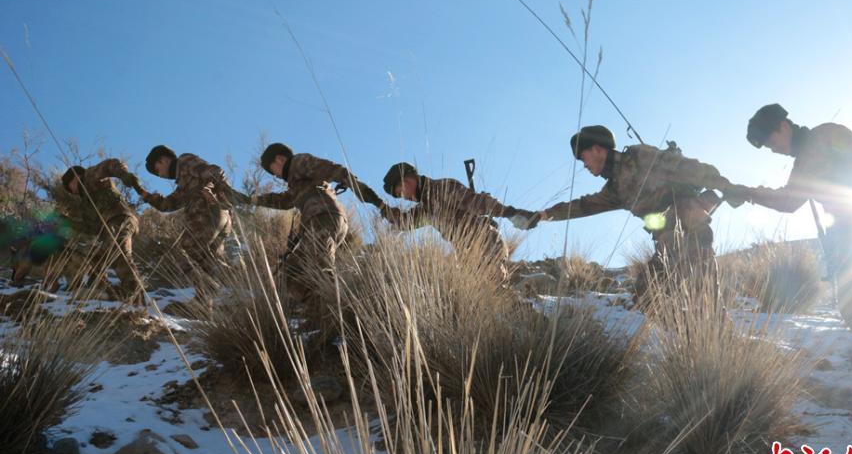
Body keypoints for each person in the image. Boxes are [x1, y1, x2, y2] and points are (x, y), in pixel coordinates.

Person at [726, 103, 852, 396]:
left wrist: (747, 193)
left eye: (770, 142)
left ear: (783, 126)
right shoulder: (822, 139)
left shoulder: (816, 143)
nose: (772, 150)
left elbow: (790, 201)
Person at [518, 125, 733, 299]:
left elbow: (686, 168)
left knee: (704, 292)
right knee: (646, 296)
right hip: (666, 244)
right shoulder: (614, 190)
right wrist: (542, 215)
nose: (584, 165)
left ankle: (718, 336)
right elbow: (582, 207)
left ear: (597, 149)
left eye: (584, 158)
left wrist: (725, 186)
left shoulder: (639, 156)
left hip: (692, 227)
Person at [253, 142, 386, 323]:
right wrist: (250, 200)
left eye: (272, 169)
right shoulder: (296, 182)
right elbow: (283, 201)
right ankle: (320, 315)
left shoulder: (298, 162)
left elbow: (333, 170)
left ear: (279, 158)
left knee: (321, 269)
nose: (275, 174)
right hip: (320, 223)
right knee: (290, 274)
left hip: (324, 219)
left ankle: (339, 321)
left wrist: (365, 192)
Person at [381, 162, 533, 281]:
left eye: (401, 192)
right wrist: (380, 206)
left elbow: (478, 203)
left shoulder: (441, 188)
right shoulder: (426, 208)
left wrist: (511, 213)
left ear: (407, 180)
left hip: (484, 244)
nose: (403, 197)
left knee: (496, 289)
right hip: (466, 255)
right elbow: (405, 223)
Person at [141, 145, 248, 298]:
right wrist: (149, 197)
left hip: (208, 213)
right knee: (208, 260)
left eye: (157, 170)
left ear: (163, 160)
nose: (160, 176)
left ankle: (216, 288)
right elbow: (168, 205)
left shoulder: (184, 161)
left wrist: (212, 190)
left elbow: (215, 172)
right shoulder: (184, 184)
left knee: (186, 248)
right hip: (220, 219)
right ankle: (219, 293)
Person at [55, 159, 146, 298]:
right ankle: (104, 290)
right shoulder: (85, 205)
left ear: (75, 177)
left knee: (118, 249)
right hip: (108, 229)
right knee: (95, 257)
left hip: (120, 218)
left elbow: (111, 165)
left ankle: (134, 294)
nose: (71, 192)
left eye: (70, 186)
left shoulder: (89, 176)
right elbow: (91, 228)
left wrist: (125, 175)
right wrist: (68, 222)